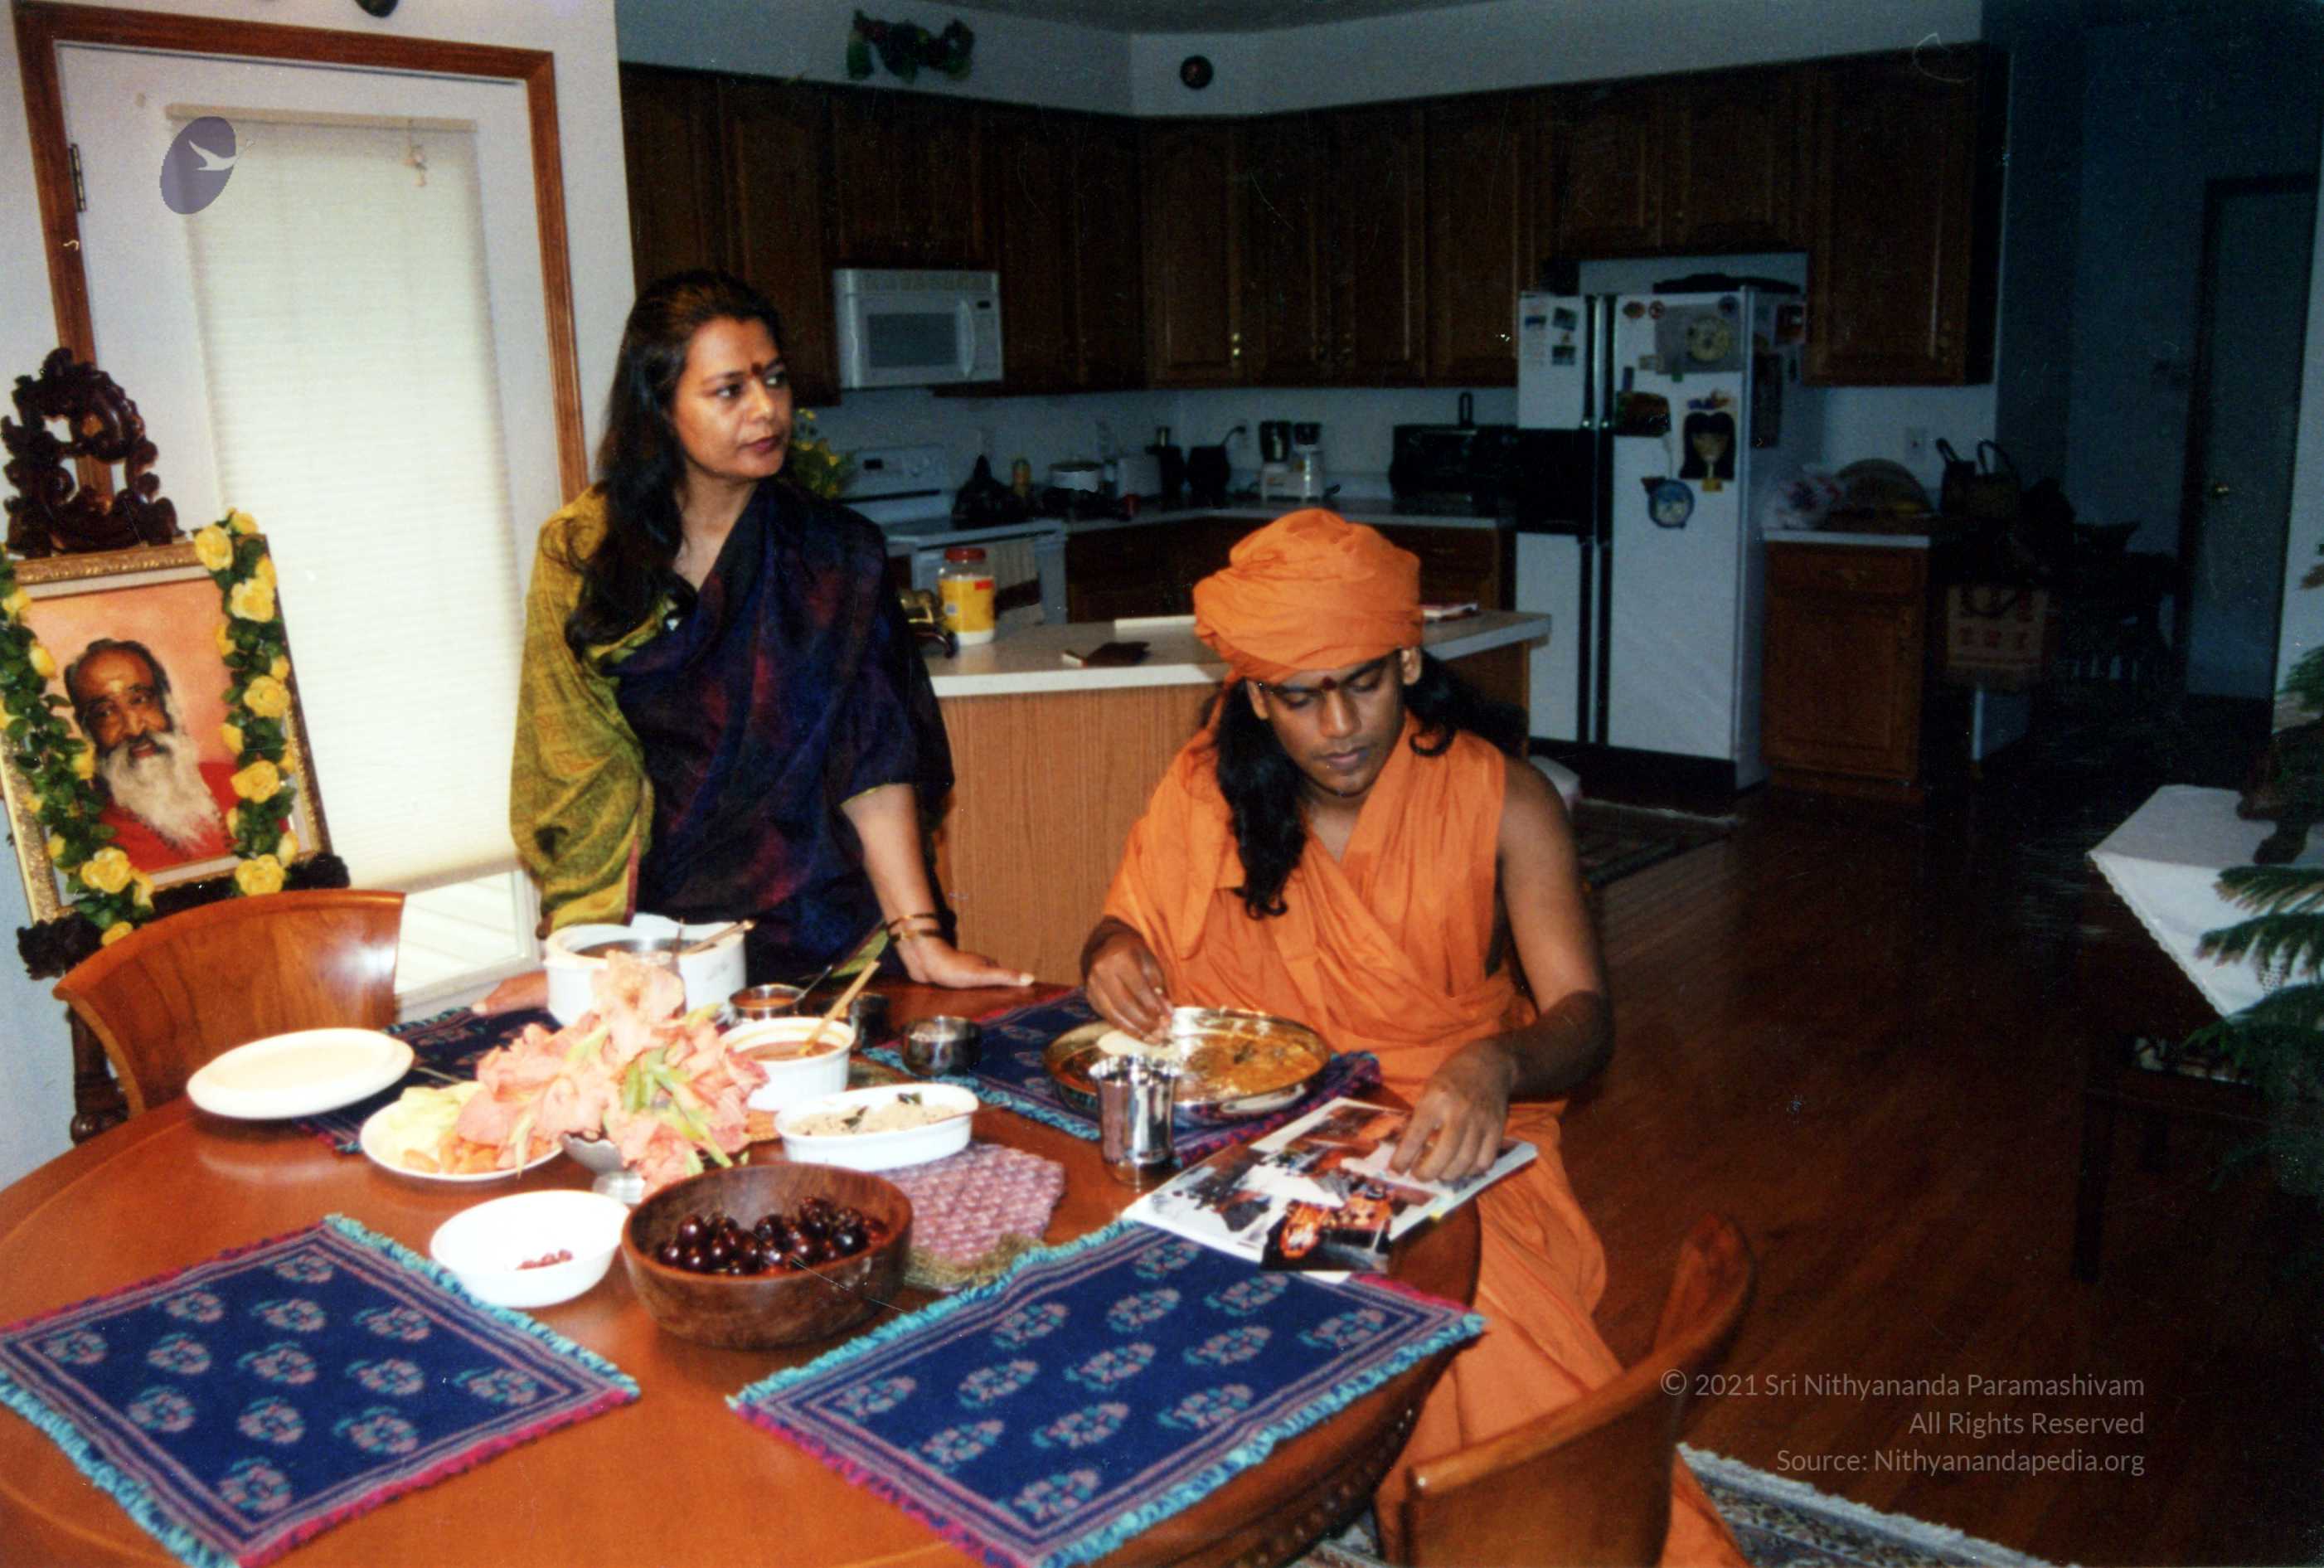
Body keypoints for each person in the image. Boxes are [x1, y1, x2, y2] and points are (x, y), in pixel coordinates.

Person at [1081, 510, 1744, 1565]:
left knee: (1464, 1313)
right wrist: (1111, 950)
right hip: (1253, 1134)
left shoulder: (1502, 797)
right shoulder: (1204, 790)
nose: (1340, 725)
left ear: (1406, 661)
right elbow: (1126, 927)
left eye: (1364, 683)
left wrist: (1497, 1062)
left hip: (1448, 1134)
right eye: (1301, 697)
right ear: (1255, 697)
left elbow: (1585, 1017)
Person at [499, 270, 1028, 999]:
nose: (766, 409)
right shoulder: (583, 553)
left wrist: (922, 938)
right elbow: (576, 775)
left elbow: (874, 763)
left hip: (835, 933)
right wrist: (584, 961)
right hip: (662, 948)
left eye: (774, 380)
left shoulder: (834, 554)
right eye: (729, 391)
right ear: (659, 406)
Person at [64, 638, 240, 871]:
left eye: (140, 700)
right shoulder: (92, 838)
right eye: (105, 713)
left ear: (167, 702)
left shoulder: (238, 783)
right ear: (87, 730)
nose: (134, 729)